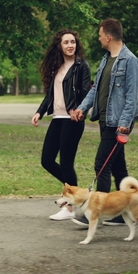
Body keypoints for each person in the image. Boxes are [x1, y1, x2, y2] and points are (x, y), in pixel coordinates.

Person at [70, 18, 138, 226]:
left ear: (108, 37)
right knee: (118, 166)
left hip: (118, 123)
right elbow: (95, 89)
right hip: (105, 120)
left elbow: (131, 97)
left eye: (100, 35)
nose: (99, 39)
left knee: (102, 164)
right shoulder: (106, 59)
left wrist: (125, 123)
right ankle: (121, 213)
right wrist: (82, 108)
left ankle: (97, 212)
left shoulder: (130, 61)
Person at [31, 29, 91, 221]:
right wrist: (39, 112)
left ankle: (70, 207)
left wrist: (79, 110)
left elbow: (86, 92)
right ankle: (78, 193)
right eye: (66, 42)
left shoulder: (82, 66)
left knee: (66, 163)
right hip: (58, 118)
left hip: (73, 120)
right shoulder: (56, 67)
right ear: (59, 45)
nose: (70, 45)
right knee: (46, 160)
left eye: (72, 42)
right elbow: (51, 95)